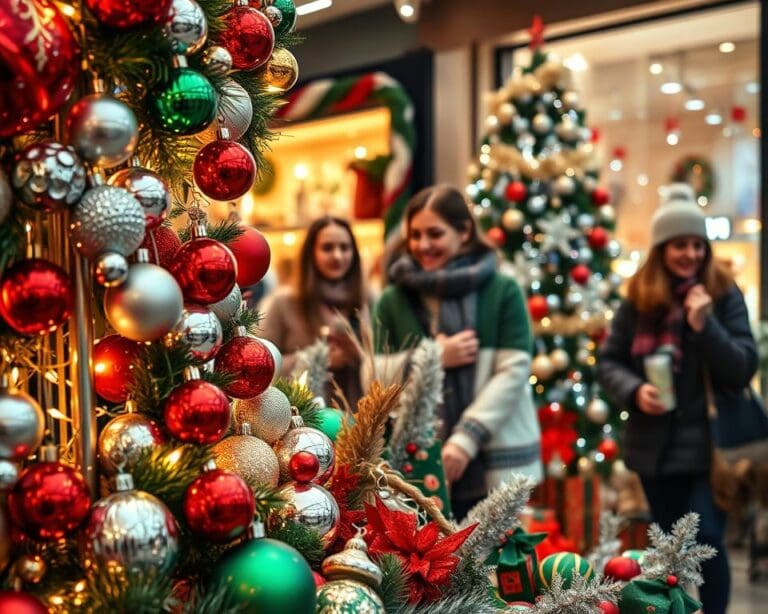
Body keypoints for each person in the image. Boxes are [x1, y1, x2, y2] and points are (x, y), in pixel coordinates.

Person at [596, 184, 757, 614]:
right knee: (668, 553)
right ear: (662, 248)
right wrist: (635, 390)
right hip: (655, 449)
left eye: (697, 245)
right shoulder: (639, 298)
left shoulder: (722, 293)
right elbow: (609, 360)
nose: (690, 254)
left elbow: (742, 367)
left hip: (711, 450)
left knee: (708, 543)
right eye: (679, 245)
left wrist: (705, 326)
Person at [374, 185, 542, 520]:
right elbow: (374, 375)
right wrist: (434, 356)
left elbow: (513, 373)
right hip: (416, 463)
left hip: (495, 457)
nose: (423, 245)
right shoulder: (394, 299)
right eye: (415, 235)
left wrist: (465, 439)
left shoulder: (503, 290)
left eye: (435, 233)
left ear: (464, 232)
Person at [259, 216, 368, 409]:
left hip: (361, 417)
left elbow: (385, 366)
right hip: (303, 417)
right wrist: (318, 359)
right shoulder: (283, 303)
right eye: (327, 248)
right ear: (311, 253)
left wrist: (360, 357)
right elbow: (262, 366)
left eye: (344, 248)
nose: (337, 256)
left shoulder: (368, 300)